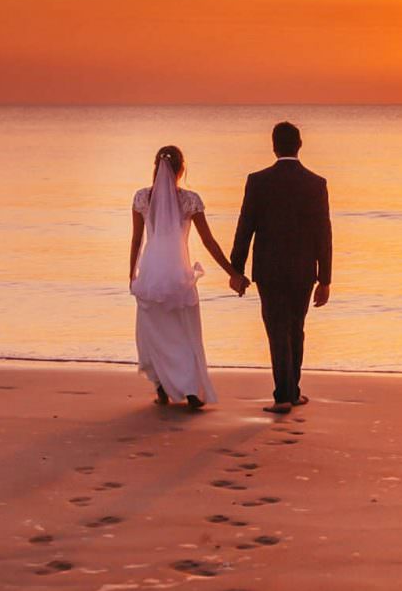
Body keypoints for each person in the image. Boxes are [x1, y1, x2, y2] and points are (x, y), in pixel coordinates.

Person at [129, 145, 247, 410]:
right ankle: (192, 390)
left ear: (156, 167)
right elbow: (209, 242)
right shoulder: (190, 200)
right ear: (182, 169)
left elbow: (137, 239)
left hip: (150, 274)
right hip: (178, 274)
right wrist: (233, 273)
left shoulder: (141, 198)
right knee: (185, 332)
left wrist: (132, 274)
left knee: (154, 332)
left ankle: (161, 389)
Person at [229, 121, 332, 415]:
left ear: (274, 146)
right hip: (302, 270)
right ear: (299, 145)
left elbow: (244, 226)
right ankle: (293, 392)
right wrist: (325, 278)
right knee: (296, 329)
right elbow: (323, 233)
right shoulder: (316, 183)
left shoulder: (258, 181)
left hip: (269, 269)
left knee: (277, 330)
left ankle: (283, 396)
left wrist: (237, 270)